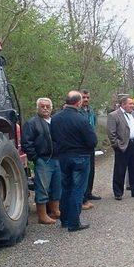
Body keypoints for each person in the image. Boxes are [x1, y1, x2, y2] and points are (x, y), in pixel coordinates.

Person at [50, 91, 97, 232]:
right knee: (78, 189)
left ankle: (64, 220)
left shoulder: (55, 118)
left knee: (66, 188)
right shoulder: (81, 119)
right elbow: (92, 141)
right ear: (78, 103)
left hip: (63, 157)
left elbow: (53, 137)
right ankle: (74, 223)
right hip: (80, 157)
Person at [21, 97, 61, 225]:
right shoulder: (31, 123)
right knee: (42, 188)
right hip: (43, 160)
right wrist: (36, 158)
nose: (45, 108)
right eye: (42, 106)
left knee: (56, 187)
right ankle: (42, 216)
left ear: (51, 108)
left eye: (47, 106)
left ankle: (55, 211)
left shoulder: (55, 122)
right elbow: (26, 143)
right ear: (37, 107)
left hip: (57, 159)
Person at [107, 96, 134, 200]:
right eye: (130, 104)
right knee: (120, 170)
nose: (133, 105)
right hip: (123, 145)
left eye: (132, 103)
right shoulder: (114, 115)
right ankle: (118, 193)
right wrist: (117, 145)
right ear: (123, 104)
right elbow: (111, 133)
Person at [79, 89, 101, 210]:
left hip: (90, 145)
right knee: (83, 171)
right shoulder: (78, 111)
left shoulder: (91, 111)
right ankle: (82, 196)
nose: (86, 99)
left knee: (91, 170)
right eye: (83, 97)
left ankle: (89, 192)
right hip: (81, 146)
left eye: (87, 97)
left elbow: (94, 125)